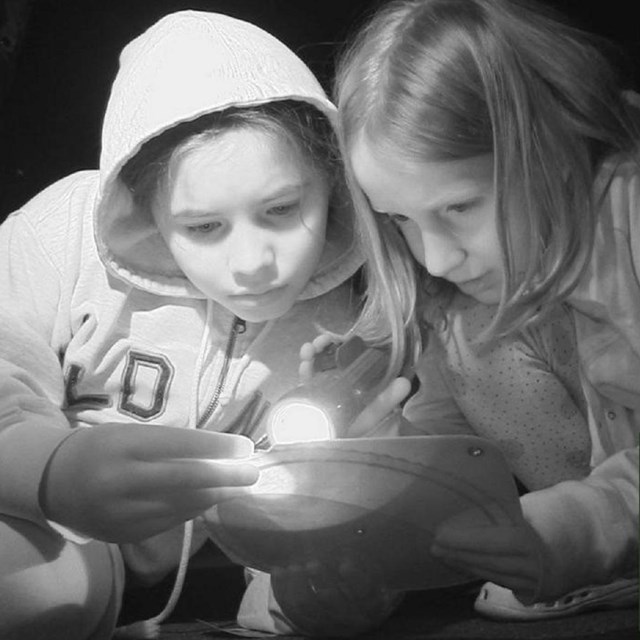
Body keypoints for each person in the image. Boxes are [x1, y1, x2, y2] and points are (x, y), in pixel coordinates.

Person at [0, 10, 372, 639]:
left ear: (331, 181)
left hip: (224, 565)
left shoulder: (358, 312)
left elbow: (329, 509)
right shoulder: (60, 235)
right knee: (34, 598)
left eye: (283, 209)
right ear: (146, 212)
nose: (254, 265)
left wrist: (306, 595)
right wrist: (47, 470)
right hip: (35, 524)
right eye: (203, 227)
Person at [332, 0, 639, 622]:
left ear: (544, 142)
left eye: (459, 206)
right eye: (400, 220)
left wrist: (581, 527)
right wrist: (386, 446)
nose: (436, 258)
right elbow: (457, 448)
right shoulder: (459, 296)